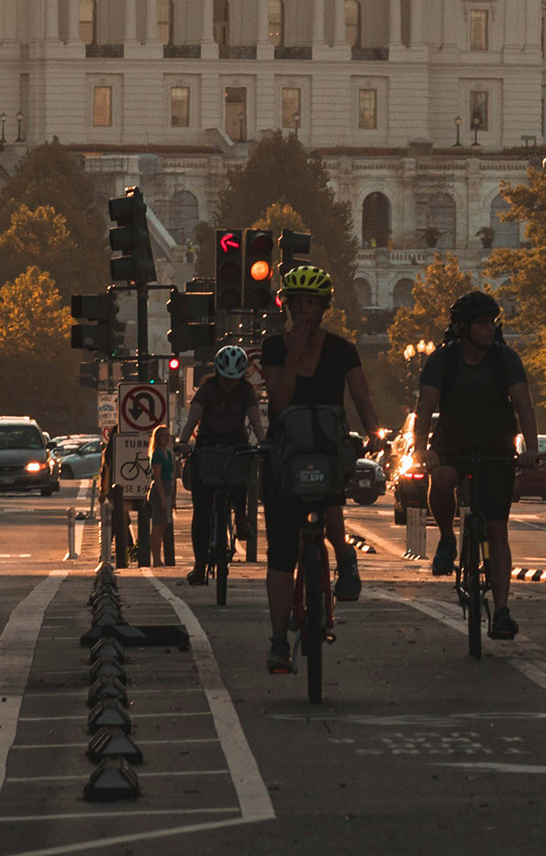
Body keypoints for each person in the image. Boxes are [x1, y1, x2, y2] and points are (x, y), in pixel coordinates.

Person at [257, 263, 383, 675]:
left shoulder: (342, 350)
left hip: (327, 451)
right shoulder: (274, 347)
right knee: (281, 552)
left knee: (332, 517)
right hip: (286, 454)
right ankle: (278, 640)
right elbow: (278, 402)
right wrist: (293, 357)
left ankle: (344, 557)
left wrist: (375, 433)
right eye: (299, 303)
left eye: (313, 303)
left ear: (325, 307)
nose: (306, 311)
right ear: (288, 306)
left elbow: (361, 398)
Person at [415, 288, 543, 642]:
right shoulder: (443, 360)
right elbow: (424, 408)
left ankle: (502, 610)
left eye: (492, 323)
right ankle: (444, 538)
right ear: (463, 328)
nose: (490, 329)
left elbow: (524, 407)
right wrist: (419, 449)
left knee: (498, 531)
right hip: (453, 440)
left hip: (496, 444)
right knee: (441, 478)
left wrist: (531, 450)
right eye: (482, 323)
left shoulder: (506, 359)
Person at [178, 344, 265, 585]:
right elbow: (193, 417)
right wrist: (184, 441)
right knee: (201, 511)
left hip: (235, 445)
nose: (229, 384)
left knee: (241, 476)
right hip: (207, 446)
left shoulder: (247, 392)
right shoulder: (207, 390)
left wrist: (264, 443)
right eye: (225, 379)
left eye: (234, 379)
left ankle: (242, 516)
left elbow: (256, 420)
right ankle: (199, 564)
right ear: (218, 374)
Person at [144, 423, 178, 566]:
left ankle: (159, 558)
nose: (167, 439)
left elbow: (171, 475)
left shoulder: (168, 453)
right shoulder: (157, 454)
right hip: (159, 491)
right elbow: (157, 478)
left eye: (168, 436)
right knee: (157, 526)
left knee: (164, 525)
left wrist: (172, 497)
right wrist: (163, 497)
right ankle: (156, 559)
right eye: (164, 436)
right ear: (158, 438)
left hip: (168, 489)